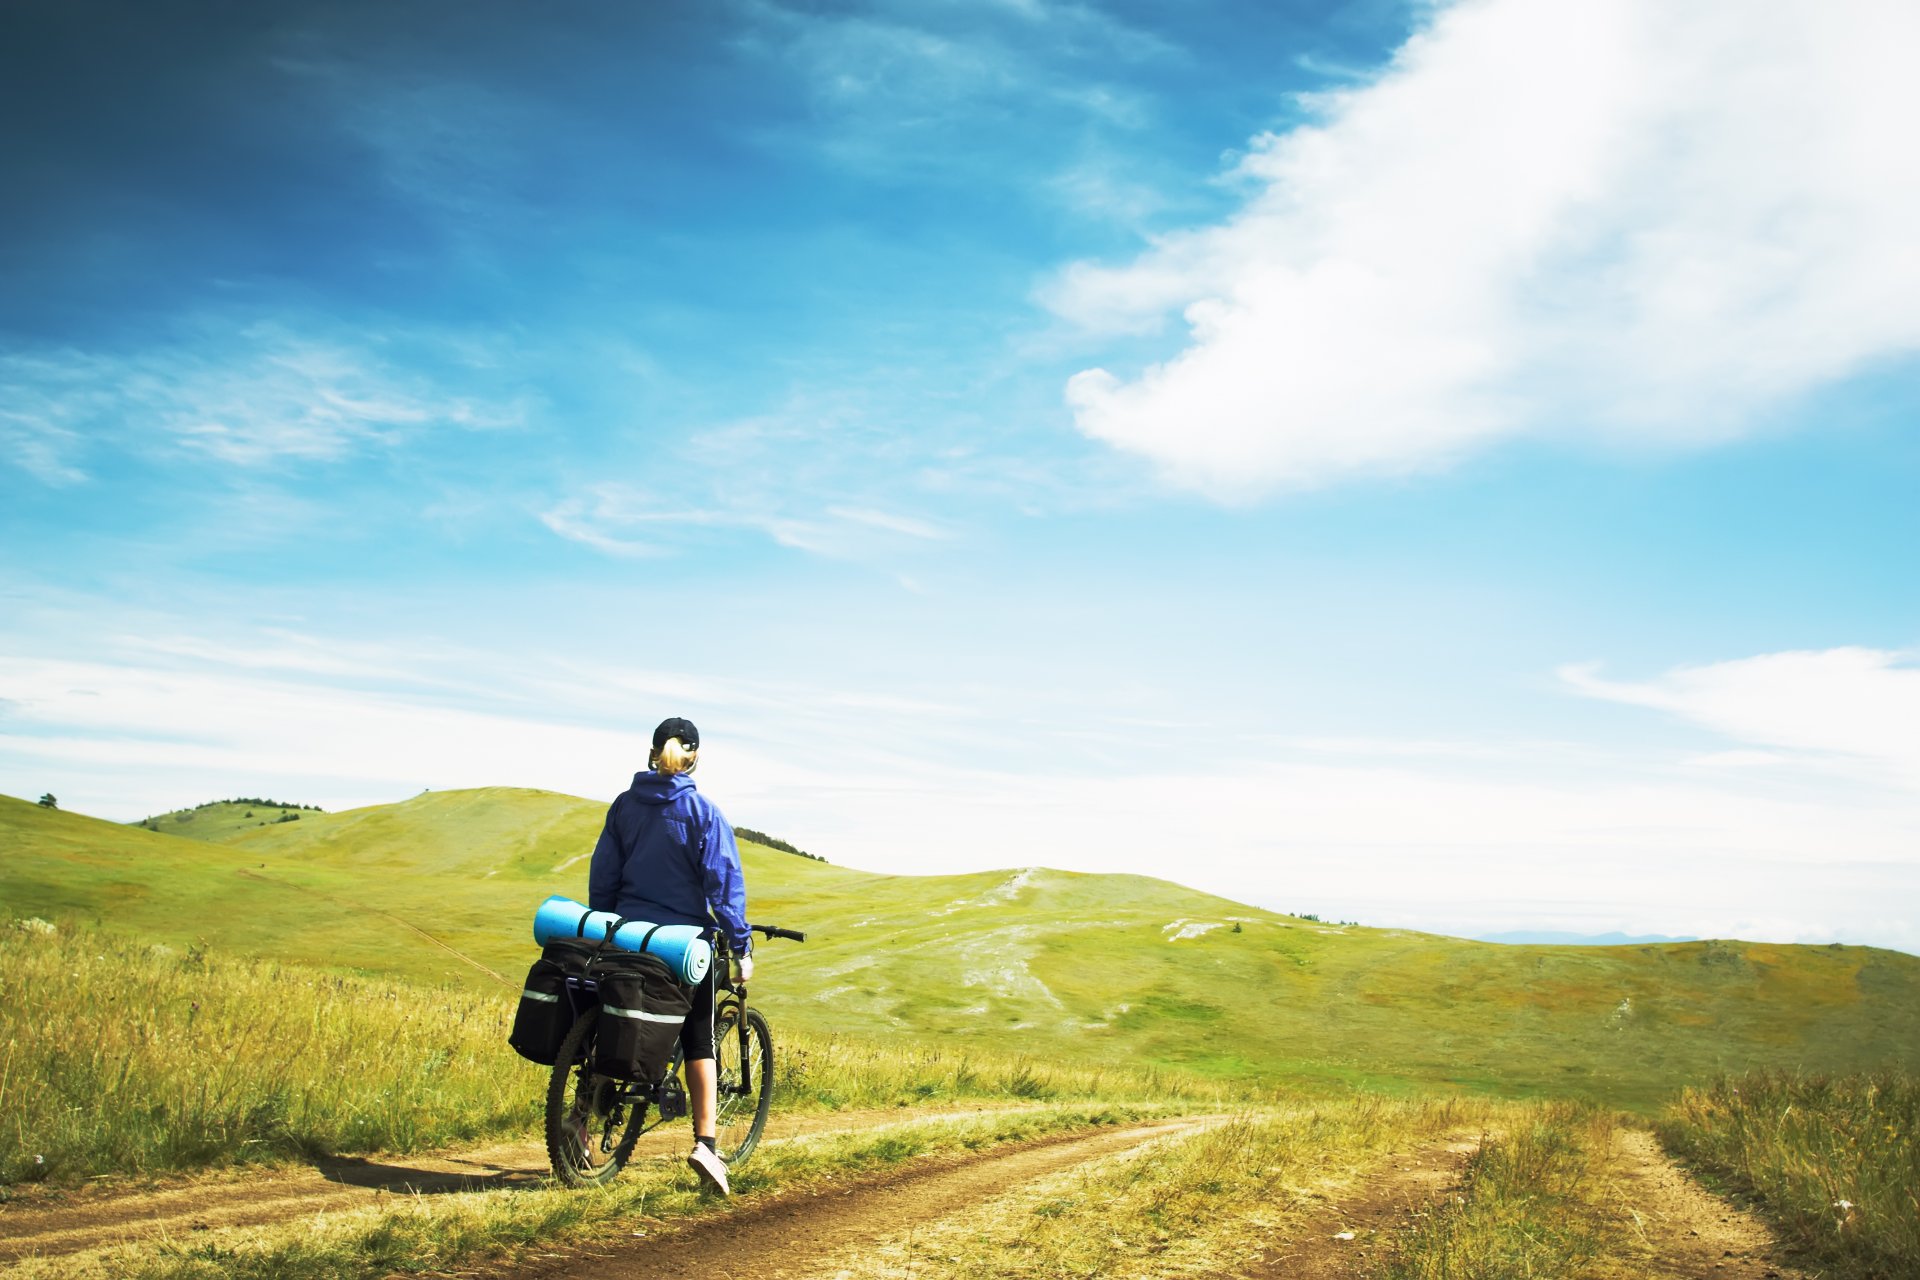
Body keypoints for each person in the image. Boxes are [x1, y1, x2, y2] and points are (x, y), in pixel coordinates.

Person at [587, 715, 753, 1195]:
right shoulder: (702, 812)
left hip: (626, 935)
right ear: (694, 756)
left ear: (653, 750)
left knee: (609, 1017)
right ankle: (706, 1145)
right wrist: (740, 945)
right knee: (699, 1038)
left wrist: (609, 924)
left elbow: (604, 878)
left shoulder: (623, 807)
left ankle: (579, 1121)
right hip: (681, 945)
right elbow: (724, 887)